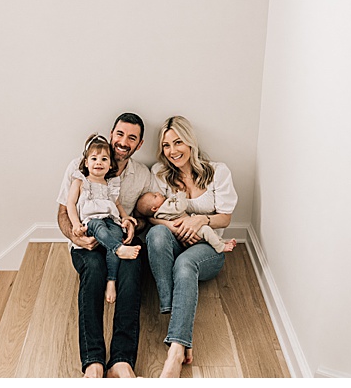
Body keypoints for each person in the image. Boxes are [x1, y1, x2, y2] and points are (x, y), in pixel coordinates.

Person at [56, 113, 157, 378]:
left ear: (139, 143)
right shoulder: (80, 167)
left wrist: (134, 224)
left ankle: (121, 360)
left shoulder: (142, 175)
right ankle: (93, 362)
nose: (124, 142)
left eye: (132, 138)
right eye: (120, 134)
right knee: (94, 271)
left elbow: (146, 217)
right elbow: (63, 212)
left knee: (132, 270)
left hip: (120, 236)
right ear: (112, 134)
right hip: (88, 240)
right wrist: (76, 237)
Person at [144, 115, 237, 378]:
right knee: (156, 235)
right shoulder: (159, 174)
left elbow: (226, 217)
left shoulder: (218, 171)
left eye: (178, 142)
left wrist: (200, 220)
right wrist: (174, 226)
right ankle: (174, 309)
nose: (172, 151)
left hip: (208, 248)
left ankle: (176, 351)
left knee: (185, 265)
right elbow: (150, 214)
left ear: (190, 142)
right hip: (174, 240)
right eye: (166, 145)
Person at [65, 134, 141, 304]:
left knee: (114, 233)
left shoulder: (111, 183)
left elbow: (118, 204)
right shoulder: (80, 181)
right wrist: (76, 224)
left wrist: (126, 217)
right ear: (86, 162)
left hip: (110, 219)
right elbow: (70, 204)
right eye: (94, 158)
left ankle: (111, 281)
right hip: (91, 221)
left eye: (104, 159)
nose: (99, 162)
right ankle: (119, 249)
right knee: (99, 227)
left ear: (110, 164)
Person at [137, 191, 236, 253]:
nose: (158, 193)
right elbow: (180, 207)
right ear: (154, 208)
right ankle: (220, 247)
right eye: (155, 196)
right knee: (206, 230)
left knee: (208, 232)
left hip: (186, 231)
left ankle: (223, 242)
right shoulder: (165, 208)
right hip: (188, 229)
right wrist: (180, 195)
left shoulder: (159, 213)